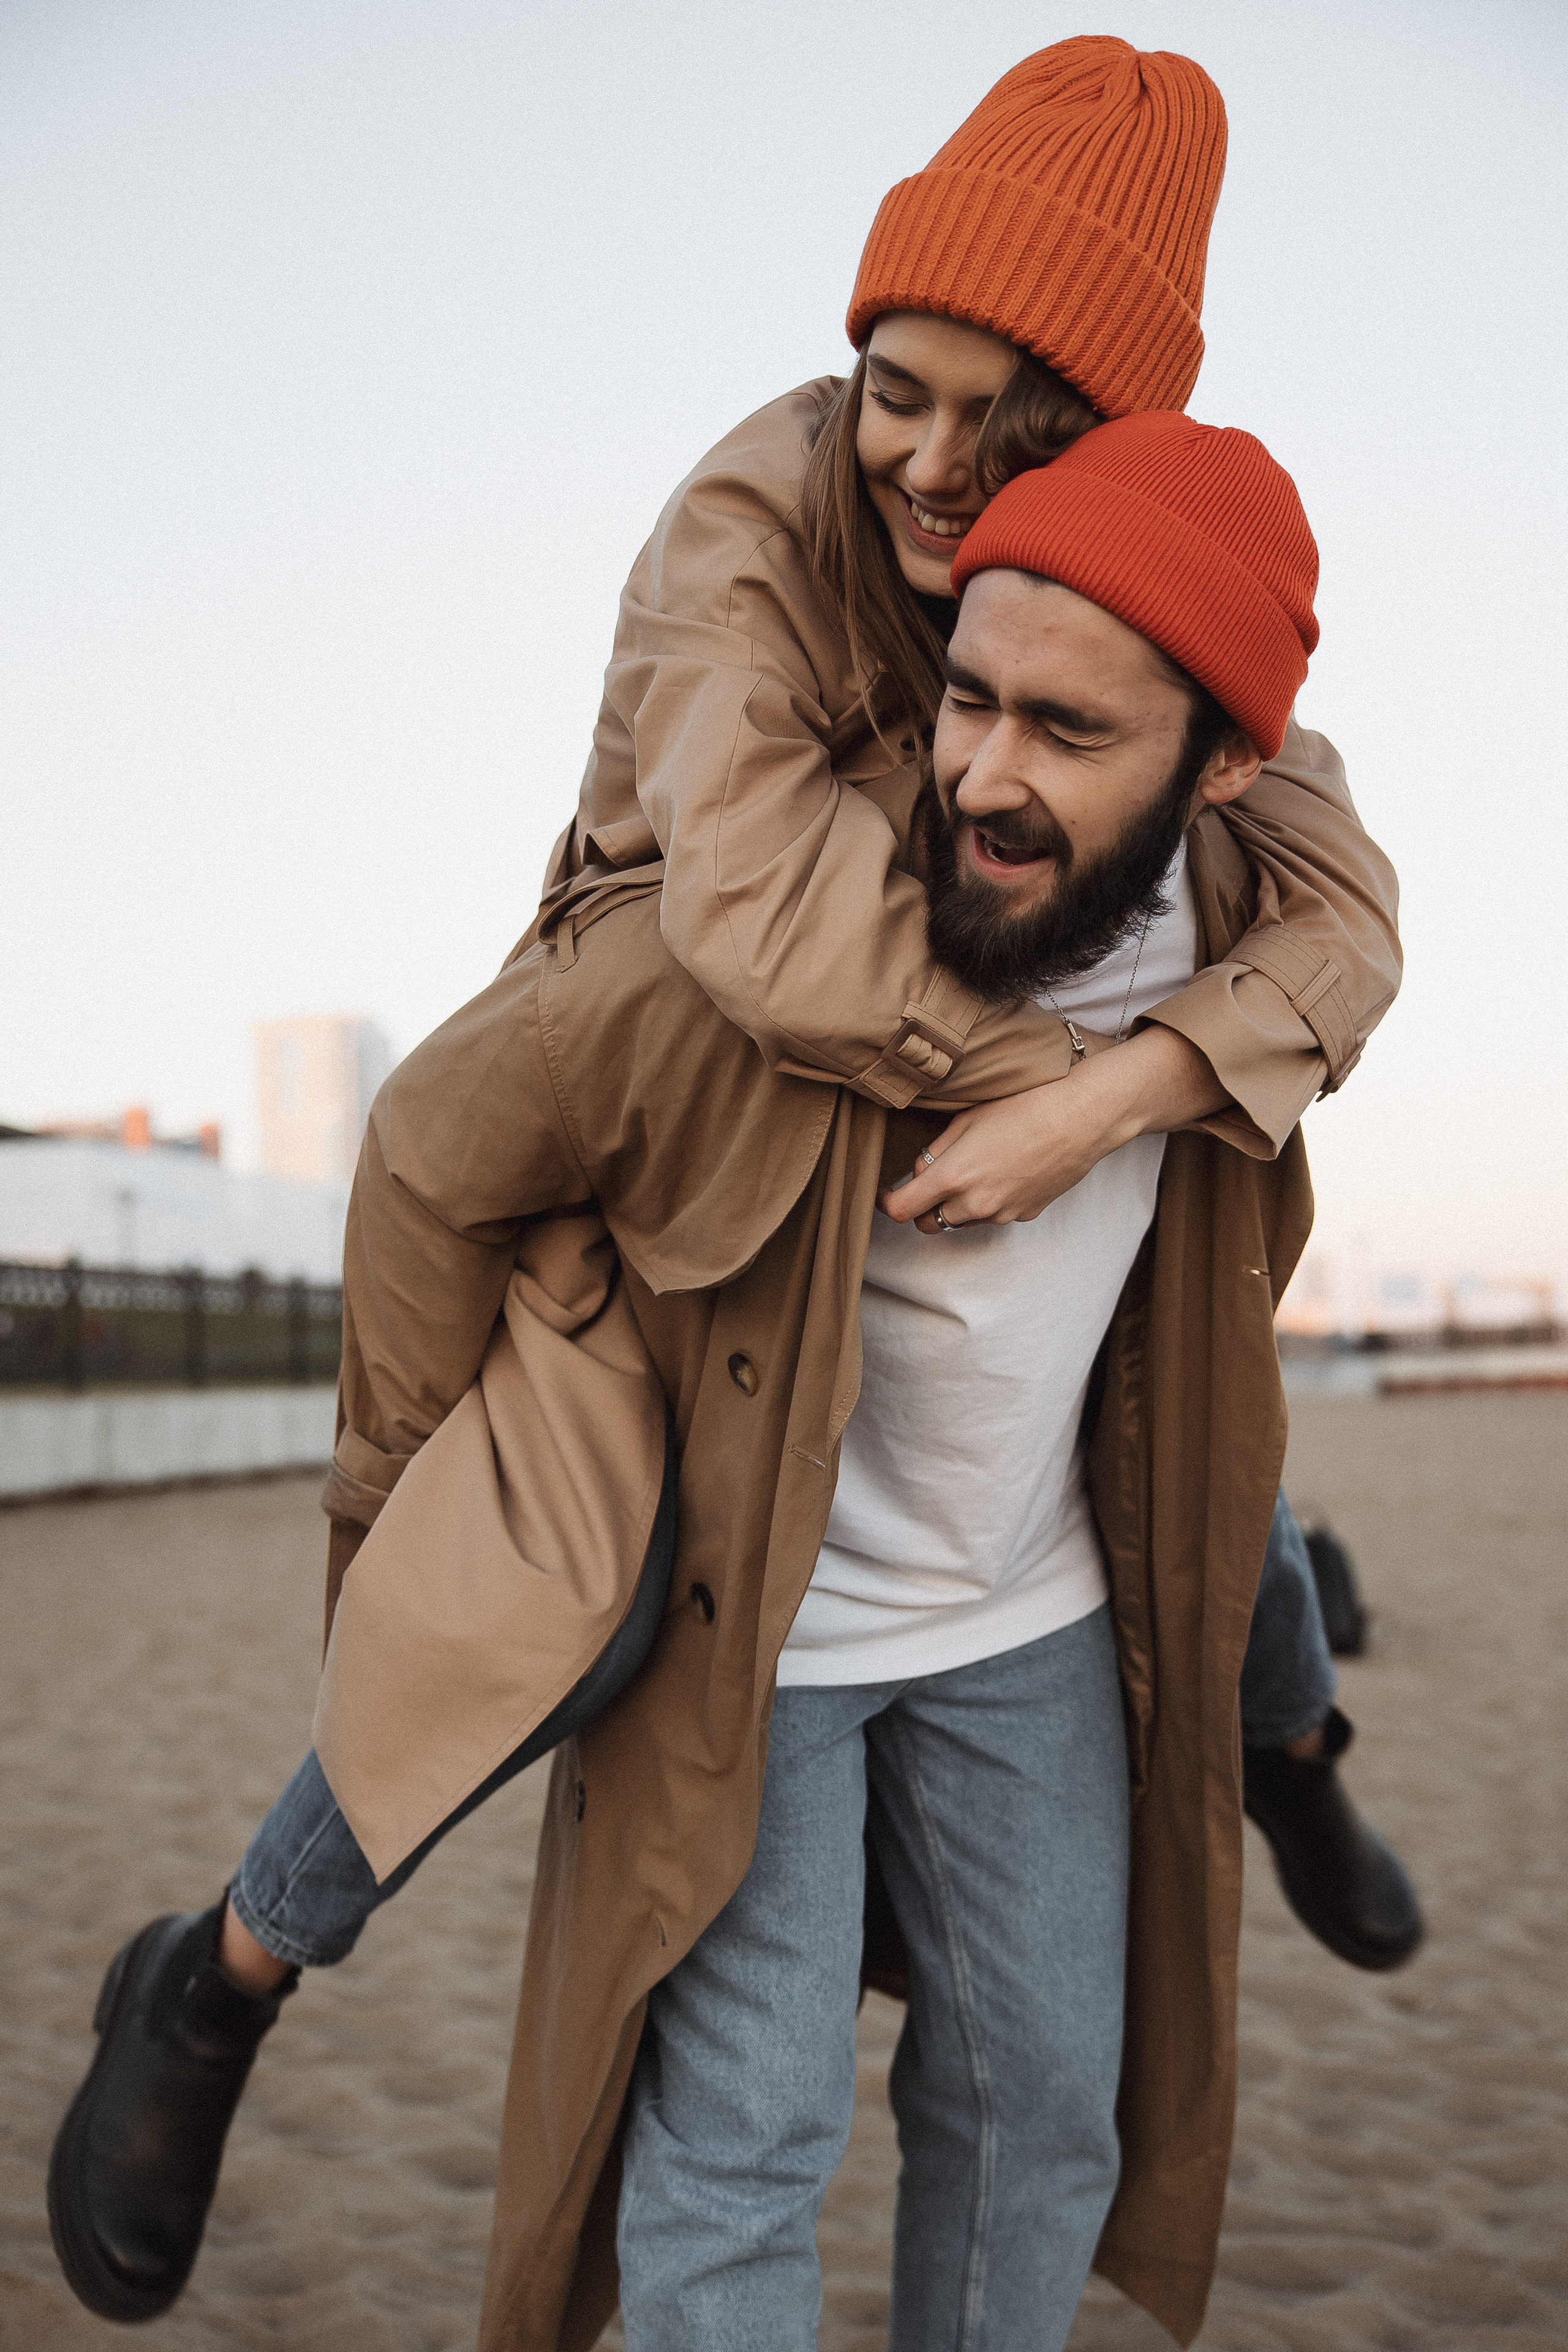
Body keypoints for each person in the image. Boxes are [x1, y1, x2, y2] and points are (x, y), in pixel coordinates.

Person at [48, 34, 1414, 2338]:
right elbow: (750, 941)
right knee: (511, 1655)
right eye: (901, 390)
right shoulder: (752, 532)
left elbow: (1356, 921)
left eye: (1012, 428)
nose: (938, 468)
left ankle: (1288, 1743)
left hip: (1009, 1556)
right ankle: (221, 1978)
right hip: (683, 1164)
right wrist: (393, 1530)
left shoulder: (1181, 705)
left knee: (1206, 1481)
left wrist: (1134, 1096)